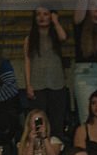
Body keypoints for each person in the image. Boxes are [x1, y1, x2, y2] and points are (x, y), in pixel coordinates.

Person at [23, 7, 68, 142]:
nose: (42, 17)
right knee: (38, 121)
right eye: (38, 14)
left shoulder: (55, 36)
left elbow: (64, 37)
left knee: (57, 121)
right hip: (37, 84)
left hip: (57, 83)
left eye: (46, 14)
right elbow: (27, 62)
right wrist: (28, 84)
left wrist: (56, 21)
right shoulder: (29, 39)